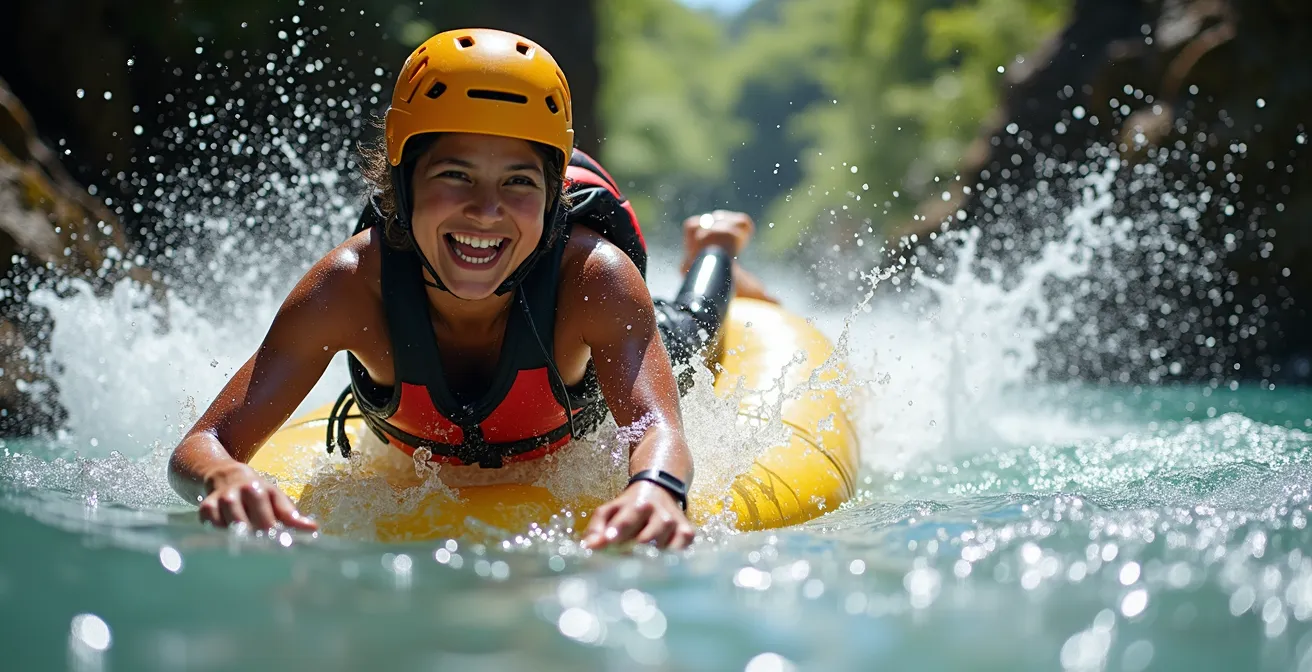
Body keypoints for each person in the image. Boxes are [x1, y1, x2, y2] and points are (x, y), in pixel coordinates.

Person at [167, 28, 773, 551]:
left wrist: (656, 489)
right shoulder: (351, 287)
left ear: (550, 197)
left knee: (691, 326)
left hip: (609, 338)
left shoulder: (595, 280)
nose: (485, 211)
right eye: (454, 175)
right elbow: (204, 443)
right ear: (400, 186)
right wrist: (224, 476)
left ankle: (715, 245)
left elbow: (657, 428)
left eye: (517, 181)